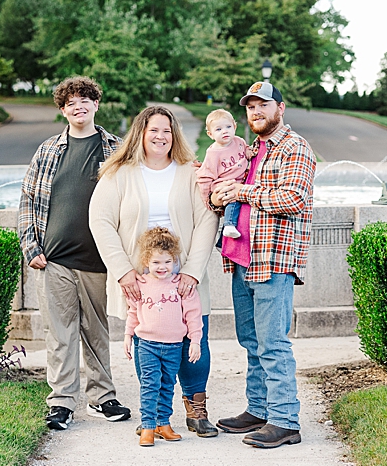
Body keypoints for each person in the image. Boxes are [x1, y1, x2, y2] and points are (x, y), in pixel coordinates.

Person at [89, 105, 219, 438]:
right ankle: (155, 417)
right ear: (140, 134)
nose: (160, 137)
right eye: (153, 131)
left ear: (174, 135)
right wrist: (122, 271)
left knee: (193, 338)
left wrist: (192, 271)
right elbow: (100, 221)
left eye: (166, 131)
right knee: (148, 345)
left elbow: (208, 221)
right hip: (139, 279)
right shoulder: (119, 173)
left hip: (184, 279)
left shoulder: (192, 172)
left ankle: (196, 407)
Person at [17, 76, 131, 431]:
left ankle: (102, 397)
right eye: (70, 103)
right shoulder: (48, 150)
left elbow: (133, 199)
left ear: (96, 104)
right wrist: (30, 246)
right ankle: (62, 403)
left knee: (97, 331)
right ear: (63, 110)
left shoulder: (117, 148)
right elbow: (26, 201)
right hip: (53, 260)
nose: (77, 106)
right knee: (60, 335)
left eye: (84, 99)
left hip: (99, 261)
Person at [209, 81, 315, 449]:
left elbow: (294, 198)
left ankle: (285, 421)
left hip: (273, 260)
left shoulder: (295, 147)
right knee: (251, 341)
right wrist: (219, 197)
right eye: (251, 107)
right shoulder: (251, 150)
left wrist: (239, 192)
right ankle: (259, 409)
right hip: (242, 258)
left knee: (272, 343)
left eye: (263, 105)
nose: (256, 112)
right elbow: (235, 197)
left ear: (280, 109)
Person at [124, 227, 203, 447]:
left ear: (175, 260)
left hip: (174, 346)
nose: (162, 267)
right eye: (156, 262)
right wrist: (128, 336)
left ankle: (163, 423)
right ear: (146, 261)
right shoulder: (140, 284)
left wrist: (195, 340)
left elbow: (193, 315)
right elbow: (132, 313)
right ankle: (148, 427)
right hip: (147, 345)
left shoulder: (181, 285)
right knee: (150, 385)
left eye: (168, 262)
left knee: (168, 385)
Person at [196, 109, 249, 239]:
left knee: (243, 210)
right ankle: (229, 225)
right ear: (210, 134)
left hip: (241, 181)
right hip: (223, 183)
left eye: (228, 127)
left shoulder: (239, 141)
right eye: (218, 129)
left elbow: (246, 149)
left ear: (234, 127)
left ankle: (222, 242)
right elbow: (205, 177)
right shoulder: (213, 153)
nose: (225, 131)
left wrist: (249, 151)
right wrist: (206, 198)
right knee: (233, 198)